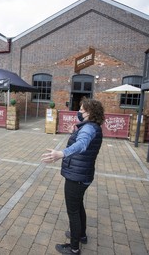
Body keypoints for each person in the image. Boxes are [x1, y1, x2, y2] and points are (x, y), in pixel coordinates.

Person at [41, 98, 104, 254]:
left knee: (73, 211)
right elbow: (83, 140)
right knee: (78, 205)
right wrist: (75, 133)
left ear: (90, 113)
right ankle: (81, 235)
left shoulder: (89, 128)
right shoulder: (92, 127)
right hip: (83, 174)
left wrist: (61, 153)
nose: (79, 113)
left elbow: (82, 145)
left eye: (82, 110)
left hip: (77, 176)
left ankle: (74, 248)